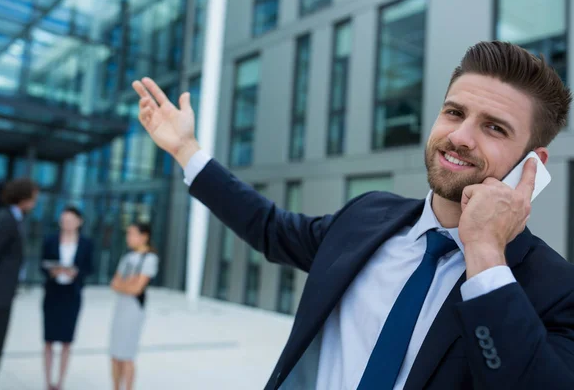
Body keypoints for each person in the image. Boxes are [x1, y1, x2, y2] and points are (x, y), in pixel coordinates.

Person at [133, 40, 574, 389]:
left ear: (532, 163)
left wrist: (483, 253)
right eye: (454, 112)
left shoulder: (555, 290)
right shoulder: (368, 217)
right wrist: (185, 150)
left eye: (494, 127)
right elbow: (269, 228)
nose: (460, 137)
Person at [0, 178, 39, 390]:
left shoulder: (14, 218)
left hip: (2, 293)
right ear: (24, 196)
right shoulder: (5, 219)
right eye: (33, 196)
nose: (35, 201)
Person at [40, 206, 94, 390]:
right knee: (48, 339)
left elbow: (89, 268)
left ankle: (60, 382)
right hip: (53, 293)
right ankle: (48, 382)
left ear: (79, 222)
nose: (67, 224)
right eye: (64, 220)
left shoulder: (86, 243)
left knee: (66, 341)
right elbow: (42, 264)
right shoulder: (50, 240)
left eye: (71, 220)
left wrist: (75, 274)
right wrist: (52, 272)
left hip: (72, 294)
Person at [109, 222, 159, 390]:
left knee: (127, 355)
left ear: (144, 236)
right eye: (128, 234)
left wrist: (126, 285)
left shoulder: (150, 258)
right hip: (120, 309)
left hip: (134, 311)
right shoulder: (127, 257)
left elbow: (137, 288)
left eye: (132, 234)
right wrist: (127, 284)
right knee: (115, 354)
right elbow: (114, 284)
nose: (128, 238)